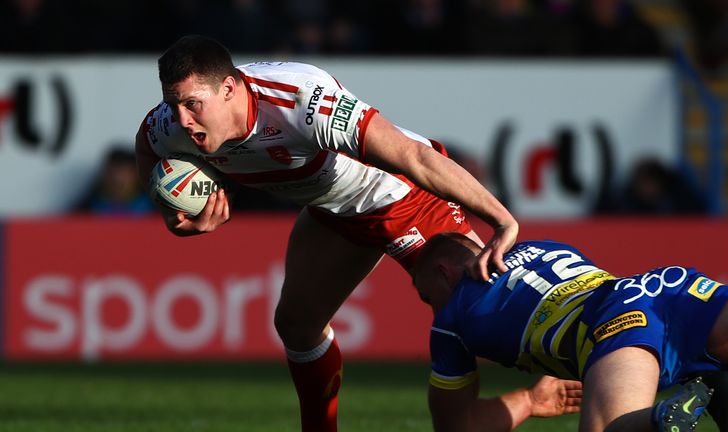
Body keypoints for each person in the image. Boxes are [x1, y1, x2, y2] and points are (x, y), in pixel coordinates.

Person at [134, 35, 522, 432]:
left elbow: (415, 157)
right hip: (333, 210)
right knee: (297, 325)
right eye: (174, 104)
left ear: (229, 89)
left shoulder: (303, 101)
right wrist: (170, 210)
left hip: (406, 198)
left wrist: (503, 221)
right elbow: (145, 146)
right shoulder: (172, 124)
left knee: (484, 318)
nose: (182, 119)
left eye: (192, 105)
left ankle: (552, 381)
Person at [411, 232, 728, 431]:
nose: (431, 308)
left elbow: (457, 427)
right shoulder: (546, 246)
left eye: (426, 297)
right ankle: (705, 371)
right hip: (669, 288)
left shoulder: (449, 322)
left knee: (612, 427)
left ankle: (662, 418)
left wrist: (528, 402)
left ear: (443, 272)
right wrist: (532, 400)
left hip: (618, 321)